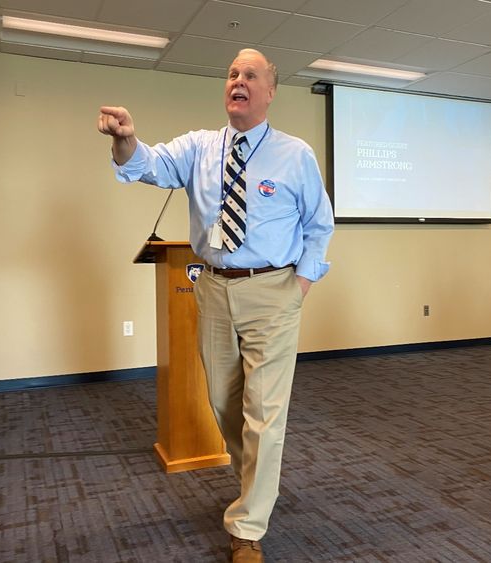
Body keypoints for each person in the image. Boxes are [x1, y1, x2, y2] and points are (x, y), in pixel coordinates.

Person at [97, 48, 334, 563]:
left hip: (273, 291)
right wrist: (126, 140)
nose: (238, 81)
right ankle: (257, 485)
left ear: (270, 91)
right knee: (226, 406)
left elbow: (319, 225)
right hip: (213, 286)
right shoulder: (200, 147)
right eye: (231, 73)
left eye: (250, 75)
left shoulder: (295, 155)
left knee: (264, 414)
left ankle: (247, 527)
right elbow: (149, 164)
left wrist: (301, 285)